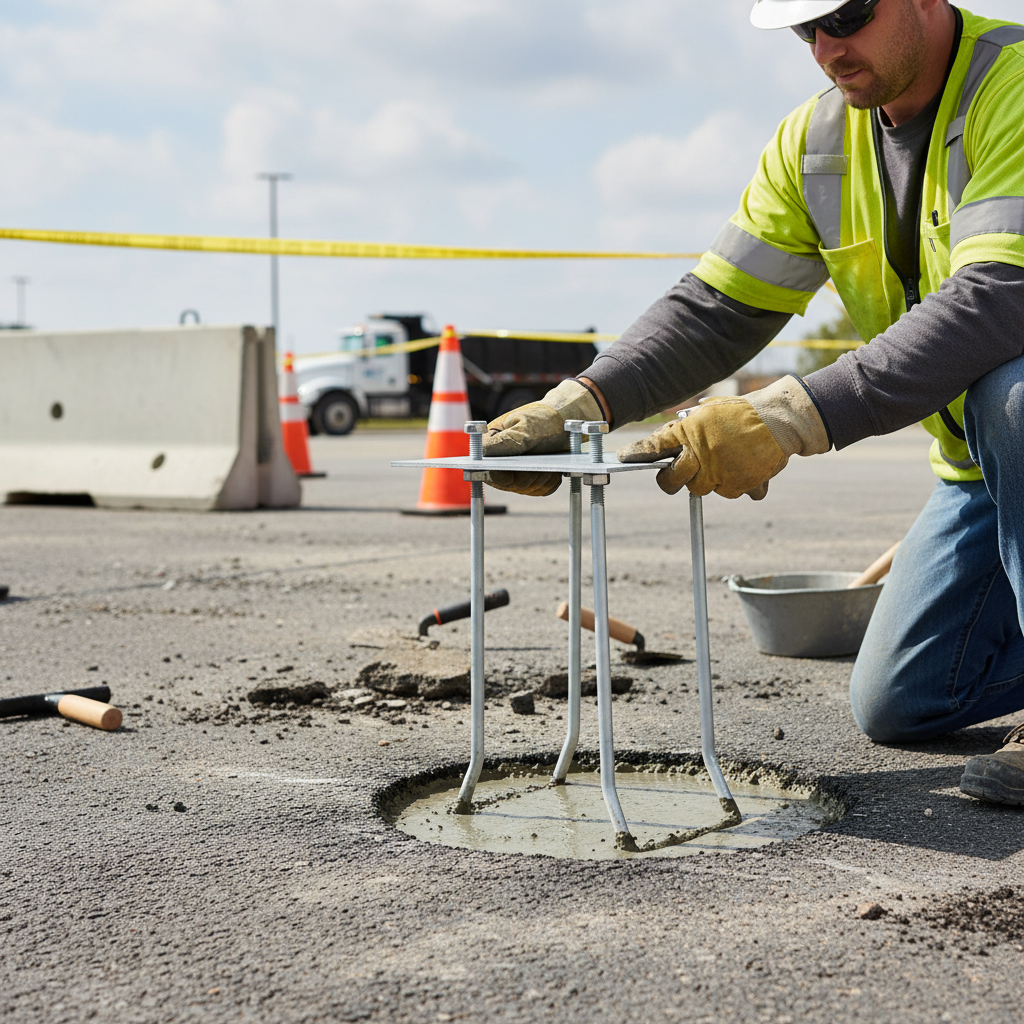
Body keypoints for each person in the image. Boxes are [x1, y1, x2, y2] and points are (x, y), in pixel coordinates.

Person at [482, 0, 1024, 806]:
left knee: (1011, 394)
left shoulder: (1008, 80)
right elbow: (716, 311)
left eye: (846, 15)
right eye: (807, 30)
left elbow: (997, 297)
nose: (828, 47)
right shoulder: (816, 143)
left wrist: (792, 415)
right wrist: (583, 401)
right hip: (980, 474)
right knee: (903, 700)